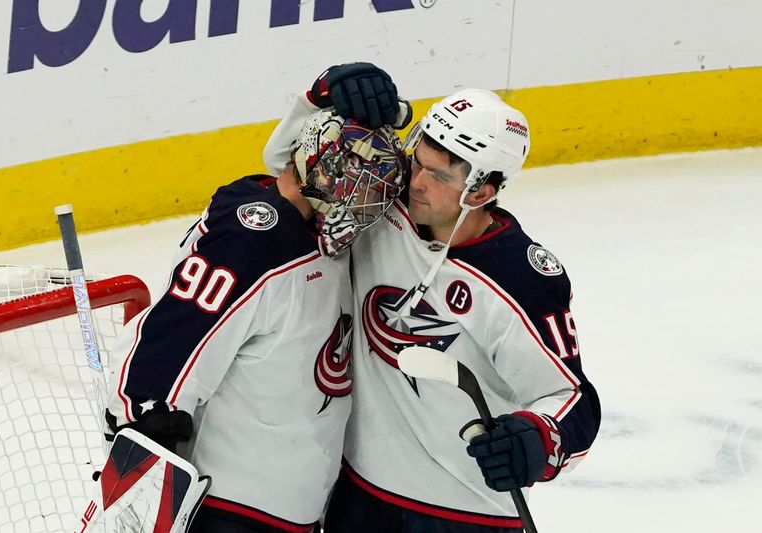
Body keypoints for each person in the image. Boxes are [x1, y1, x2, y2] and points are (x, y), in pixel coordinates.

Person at [263, 65, 601, 533]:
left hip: (462, 513)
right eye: (417, 160)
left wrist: (538, 439)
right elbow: (288, 168)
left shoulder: (519, 276)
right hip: (355, 496)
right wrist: (321, 95)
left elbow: (571, 398)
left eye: (437, 175)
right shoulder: (382, 203)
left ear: (481, 190)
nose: (415, 181)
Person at [104, 103, 407, 532]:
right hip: (226, 503)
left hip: (296, 503)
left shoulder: (320, 238)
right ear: (323, 169)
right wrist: (146, 416)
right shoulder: (256, 238)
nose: (363, 208)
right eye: (356, 188)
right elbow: (176, 337)